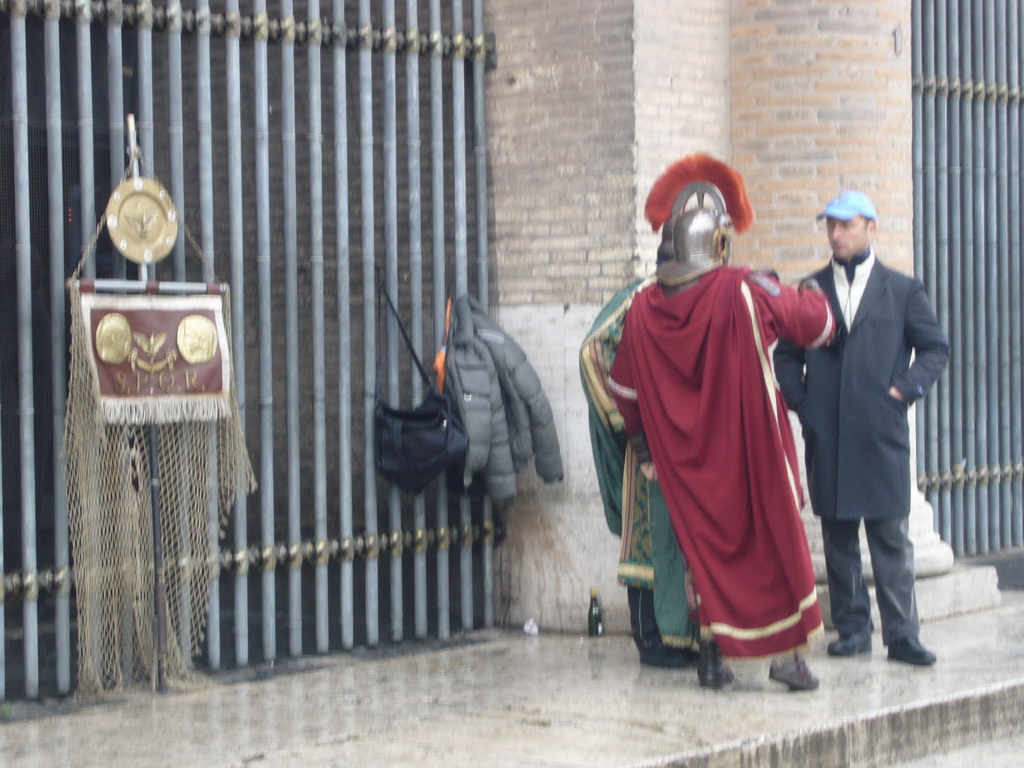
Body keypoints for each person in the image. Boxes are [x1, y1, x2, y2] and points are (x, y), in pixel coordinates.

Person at [608, 154, 837, 691]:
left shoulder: (641, 308)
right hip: (745, 455)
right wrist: (814, 295)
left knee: (704, 557)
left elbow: (625, 391)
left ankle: (713, 658)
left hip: (683, 468)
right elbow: (816, 323)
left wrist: (645, 449)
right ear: (717, 245)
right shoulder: (743, 289)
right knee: (772, 550)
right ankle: (785, 659)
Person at [774, 191, 949, 667]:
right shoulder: (809, 289)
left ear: (870, 228)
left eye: (845, 225)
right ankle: (852, 628)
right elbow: (785, 354)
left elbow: (935, 348)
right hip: (826, 432)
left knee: (891, 538)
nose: (835, 234)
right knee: (838, 536)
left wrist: (903, 391)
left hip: (880, 432)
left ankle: (902, 634)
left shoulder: (902, 289)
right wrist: (803, 406)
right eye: (830, 225)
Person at [580, 276, 698, 668]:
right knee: (650, 540)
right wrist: (628, 420)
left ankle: (690, 638)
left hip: (696, 442)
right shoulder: (643, 295)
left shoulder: (711, 288)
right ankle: (654, 640)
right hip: (651, 443)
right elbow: (593, 351)